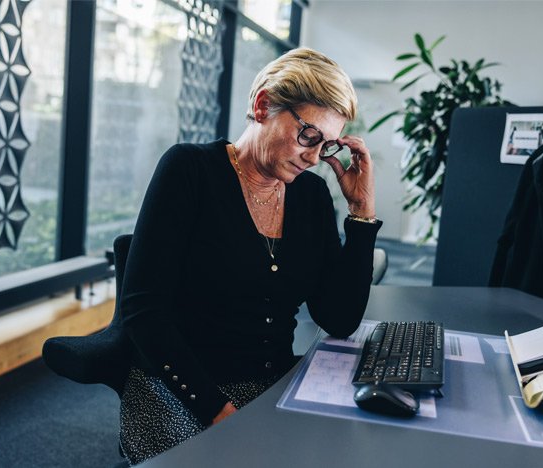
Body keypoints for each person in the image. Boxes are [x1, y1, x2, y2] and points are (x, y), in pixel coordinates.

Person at [118, 47, 382, 464]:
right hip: (184, 388)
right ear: (262, 106)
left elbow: (339, 318)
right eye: (309, 136)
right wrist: (218, 412)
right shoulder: (188, 170)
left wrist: (361, 213)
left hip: (271, 383)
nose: (314, 157)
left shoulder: (310, 195)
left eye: (328, 146)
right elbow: (143, 312)